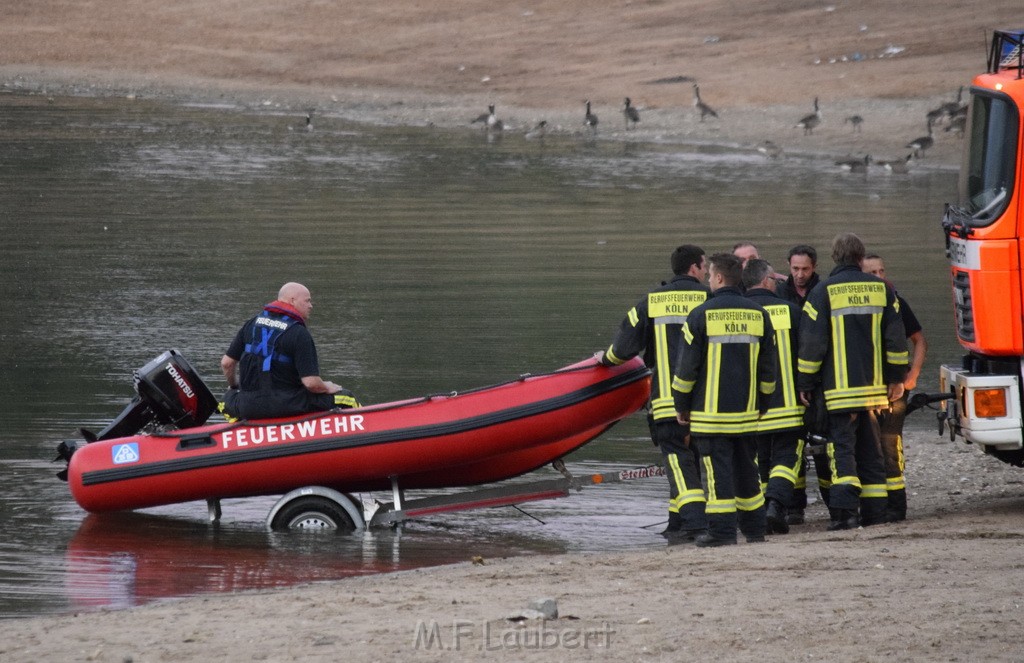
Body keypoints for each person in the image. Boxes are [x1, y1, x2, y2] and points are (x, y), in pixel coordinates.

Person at [797, 234, 908, 530]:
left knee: (842, 453)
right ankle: (875, 513)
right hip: (874, 392)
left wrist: (805, 382)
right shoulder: (882, 290)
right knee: (871, 452)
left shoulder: (822, 292)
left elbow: (812, 344)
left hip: (839, 392)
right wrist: (897, 379)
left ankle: (845, 514)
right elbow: (895, 339)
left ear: (834, 257)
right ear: (860, 259)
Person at [600, 245, 710, 542]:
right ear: (694, 267)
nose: (707, 271)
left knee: (677, 460)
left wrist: (602, 361)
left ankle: (695, 522)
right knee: (694, 459)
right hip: (708, 402)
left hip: (667, 401)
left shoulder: (651, 302)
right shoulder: (710, 299)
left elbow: (622, 350)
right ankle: (677, 524)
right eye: (704, 265)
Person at [672, 253, 776, 546]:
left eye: (709, 276)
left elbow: (686, 371)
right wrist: (762, 405)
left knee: (718, 475)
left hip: (710, 416)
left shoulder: (700, 315)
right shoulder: (759, 315)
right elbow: (769, 371)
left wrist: (681, 406)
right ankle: (755, 531)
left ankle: (722, 533)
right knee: (748, 473)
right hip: (746, 415)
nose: (707, 280)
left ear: (718, 278)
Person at [221, 282, 358, 420]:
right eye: (307, 301)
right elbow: (311, 383)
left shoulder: (251, 324)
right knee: (347, 398)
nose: (311, 306)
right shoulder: (299, 333)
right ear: (292, 301)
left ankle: (240, 434)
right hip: (287, 404)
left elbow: (227, 363)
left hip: (249, 407)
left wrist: (235, 386)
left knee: (225, 400)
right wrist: (327, 387)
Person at [863, 253, 928, 522]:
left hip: (896, 386)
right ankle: (873, 505)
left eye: (881, 271)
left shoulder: (896, 302)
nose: (879, 278)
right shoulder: (856, 307)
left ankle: (896, 507)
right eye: (872, 273)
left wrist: (913, 374)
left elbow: (919, 341)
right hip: (865, 386)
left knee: (890, 444)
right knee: (868, 445)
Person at [742, 258, 804, 534]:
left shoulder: (738, 314)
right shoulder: (791, 311)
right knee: (787, 458)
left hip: (751, 409)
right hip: (788, 406)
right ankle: (775, 506)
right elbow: (809, 354)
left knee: (760, 461)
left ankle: (760, 513)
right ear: (767, 281)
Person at [781, 243, 822, 524]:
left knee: (821, 443)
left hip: (819, 380)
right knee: (791, 443)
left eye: (804, 269)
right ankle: (795, 506)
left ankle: (833, 502)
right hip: (787, 380)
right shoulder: (779, 293)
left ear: (814, 268)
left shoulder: (823, 292)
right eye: (794, 268)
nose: (799, 274)